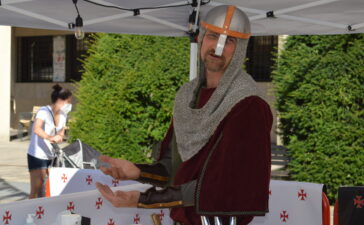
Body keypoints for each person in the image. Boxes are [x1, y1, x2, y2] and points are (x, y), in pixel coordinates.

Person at [96, 5, 273, 225]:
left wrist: (145, 200)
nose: (218, 47)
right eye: (213, 36)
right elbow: (175, 169)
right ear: (200, 38)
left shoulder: (248, 105)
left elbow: (221, 185)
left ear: (241, 50)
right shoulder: (186, 97)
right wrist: (137, 172)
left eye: (229, 41)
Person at [27, 84, 73, 198]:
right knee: (36, 189)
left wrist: (59, 136)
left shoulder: (63, 115)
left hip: (51, 156)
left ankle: (42, 214)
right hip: (37, 155)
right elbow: (37, 129)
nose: (70, 104)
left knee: (47, 190)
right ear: (59, 100)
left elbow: (61, 132)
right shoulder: (44, 111)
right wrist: (50, 137)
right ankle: (29, 213)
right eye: (68, 101)